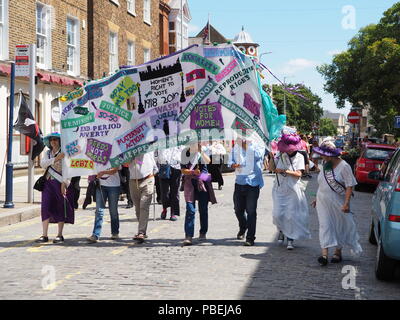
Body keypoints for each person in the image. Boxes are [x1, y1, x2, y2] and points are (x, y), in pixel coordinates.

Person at [311, 140, 362, 266]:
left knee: (339, 226)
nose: (321, 157)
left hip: (339, 201)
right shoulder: (326, 164)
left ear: (330, 155)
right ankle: (324, 255)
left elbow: (350, 186)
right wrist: (317, 198)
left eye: (323, 155)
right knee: (325, 225)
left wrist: (346, 203)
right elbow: (322, 183)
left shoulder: (344, 166)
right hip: (323, 200)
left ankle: (338, 252)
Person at [269, 134, 311, 250]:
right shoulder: (280, 155)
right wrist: (271, 156)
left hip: (293, 190)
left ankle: (290, 239)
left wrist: (284, 170)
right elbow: (272, 169)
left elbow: (298, 174)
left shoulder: (300, 157)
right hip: (280, 189)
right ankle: (281, 230)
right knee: (278, 214)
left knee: (290, 216)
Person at [36, 133, 74, 244]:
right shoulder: (48, 153)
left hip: (60, 183)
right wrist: (55, 159)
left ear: (60, 141)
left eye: (56, 139)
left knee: (60, 207)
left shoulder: (66, 153)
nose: (53, 141)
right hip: (48, 184)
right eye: (51, 140)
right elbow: (43, 164)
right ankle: (44, 234)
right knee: (45, 207)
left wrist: (65, 183)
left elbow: (70, 170)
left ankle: (59, 234)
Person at [228, 136, 266, 246]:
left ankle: (250, 238)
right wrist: (233, 164)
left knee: (251, 211)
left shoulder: (258, 144)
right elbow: (230, 160)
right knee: (238, 209)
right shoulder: (236, 145)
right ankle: (243, 226)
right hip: (239, 181)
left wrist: (246, 146)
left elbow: (259, 156)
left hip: (252, 182)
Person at [181, 143, 216, 246]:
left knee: (203, 209)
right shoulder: (185, 153)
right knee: (190, 209)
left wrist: (200, 152)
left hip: (202, 182)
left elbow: (209, 161)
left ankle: (203, 231)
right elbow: (183, 170)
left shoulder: (202, 153)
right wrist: (192, 172)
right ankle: (188, 235)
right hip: (189, 183)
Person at [128, 152, 158, 243]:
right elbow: (124, 164)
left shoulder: (147, 146)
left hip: (148, 179)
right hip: (133, 181)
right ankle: (142, 230)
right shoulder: (128, 149)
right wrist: (132, 158)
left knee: (143, 206)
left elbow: (147, 163)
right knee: (138, 208)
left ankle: (141, 232)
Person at [87, 167, 121, 243]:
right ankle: (96, 234)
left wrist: (103, 172)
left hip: (114, 186)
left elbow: (115, 170)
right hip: (100, 185)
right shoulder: (98, 155)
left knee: (113, 210)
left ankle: (115, 232)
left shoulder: (116, 155)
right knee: (99, 210)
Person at [156, 145, 184, 221]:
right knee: (164, 192)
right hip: (164, 167)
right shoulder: (161, 141)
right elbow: (157, 155)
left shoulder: (179, 141)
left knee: (174, 192)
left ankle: (173, 212)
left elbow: (183, 154)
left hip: (176, 168)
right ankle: (164, 208)